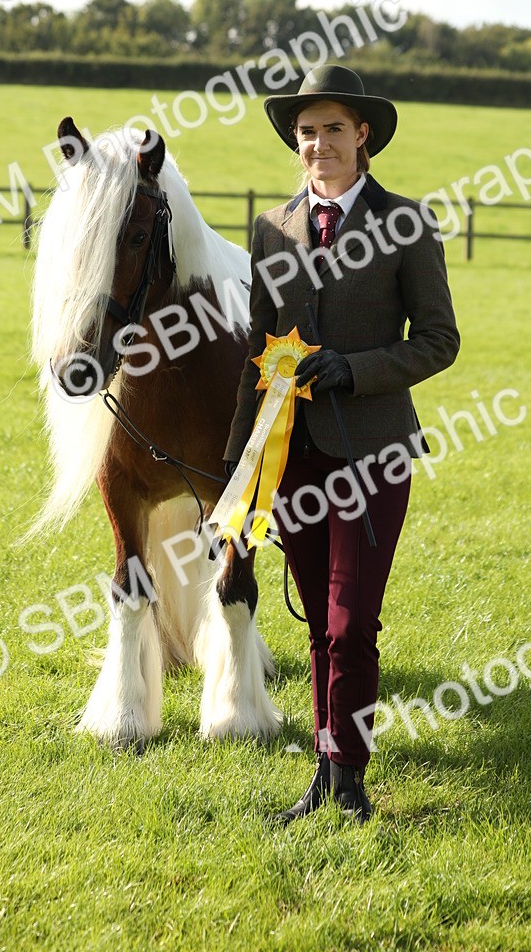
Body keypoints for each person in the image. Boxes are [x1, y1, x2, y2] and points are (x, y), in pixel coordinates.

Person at [223, 64, 460, 824]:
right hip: (289, 460)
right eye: (305, 132)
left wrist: (353, 370)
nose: (317, 144)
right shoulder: (270, 228)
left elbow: (438, 341)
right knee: (318, 625)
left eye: (331, 129)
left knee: (351, 621)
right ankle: (326, 773)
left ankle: (350, 778)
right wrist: (235, 470)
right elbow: (258, 352)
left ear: (363, 136)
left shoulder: (406, 224)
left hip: (374, 453)